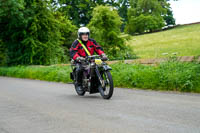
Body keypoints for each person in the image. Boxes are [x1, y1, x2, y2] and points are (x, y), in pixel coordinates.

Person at [70, 27, 108, 91]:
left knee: (101, 65)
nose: (85, 36)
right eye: (83, 34)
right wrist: (78, 57)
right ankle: (78, 84)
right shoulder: (76, 42)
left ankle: (99, 82)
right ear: (80, 35)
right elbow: (73, 51)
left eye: (87, 34)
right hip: (80, 60)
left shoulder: (92, 41)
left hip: (91, 59)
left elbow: (98, 48)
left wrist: (102, 54)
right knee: (80, 68)